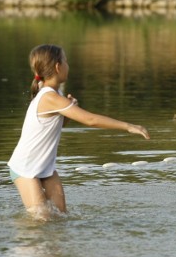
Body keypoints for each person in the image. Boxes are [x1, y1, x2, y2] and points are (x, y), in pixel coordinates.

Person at [8, 44, 150, 220]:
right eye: (66, 61)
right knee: (42, 220)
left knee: (60, 216)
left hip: (45, 166)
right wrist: (128, 126)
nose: (69, 65)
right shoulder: (50, 97)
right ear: (58, 67)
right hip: (25, 167)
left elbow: (53, 128)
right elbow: (90, 120)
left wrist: (67, 113)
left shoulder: (55, 94)